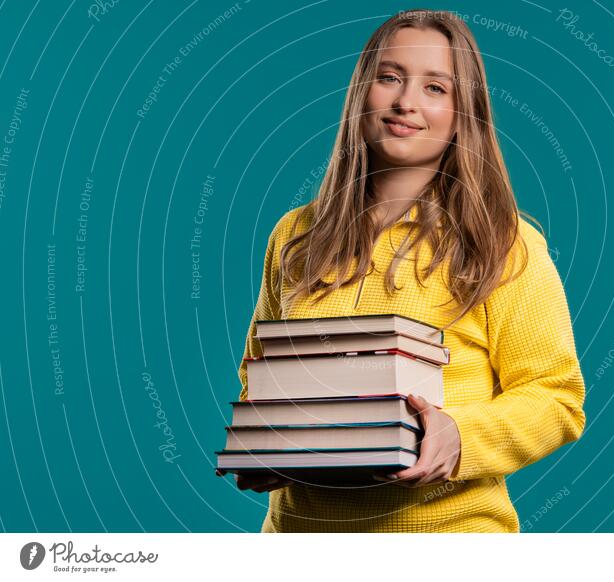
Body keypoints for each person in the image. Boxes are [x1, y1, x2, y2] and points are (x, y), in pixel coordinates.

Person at [235, 9, 586, 533]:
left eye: (435, 88)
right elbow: (257, 372)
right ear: (362, 92)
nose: (406, 102)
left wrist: (461, 435)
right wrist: (263, 444)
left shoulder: (504, 243)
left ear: (465, 112)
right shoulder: (295, 234)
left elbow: (557, 397)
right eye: (390, 77)